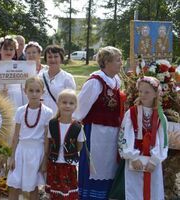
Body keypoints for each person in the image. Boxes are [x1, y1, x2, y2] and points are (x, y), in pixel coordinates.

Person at [74, 46, 123, 199]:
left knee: (109, 167)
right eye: (118, 60)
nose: (121, 63)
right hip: (95, 133)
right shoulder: (95, 82)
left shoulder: (116, 81)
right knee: (95, 168)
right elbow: (80, 108)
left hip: (112, 134)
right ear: (107, 62)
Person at [118, 76, 168, 200]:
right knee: (134, 191)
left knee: (153, 191)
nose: (142, 94)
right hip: (135, 162)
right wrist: (133, 157)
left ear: (156, 93)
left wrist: (155, 160)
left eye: (147, 92)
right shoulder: (131, 113)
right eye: (140, 91)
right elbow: (124, 136)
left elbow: (163, 141)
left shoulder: (161, 117)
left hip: (152, 163)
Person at [7, 76, 53, 200]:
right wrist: (12, 157)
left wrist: (44, 160)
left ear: (43, 92)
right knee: (14, 185)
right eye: (31, 90)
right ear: (25, 91)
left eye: (37, 91)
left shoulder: (47, 113)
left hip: (37, 153)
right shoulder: (20, 111)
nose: (34, 94)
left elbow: (47, 139)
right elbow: (16, 136)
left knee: (33, 187)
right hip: (21, 151)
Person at [45, 89, 85, 199]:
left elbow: (79, 146)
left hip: (69, 165)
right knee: (54, 193)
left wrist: (70, 152)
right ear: (58, 104)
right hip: (54, 163)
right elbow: (48, 143)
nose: (67, 105)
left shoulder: (77, 126)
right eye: (64, 102)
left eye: (71, 103)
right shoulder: (52, 123)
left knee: (67, 193)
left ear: (75, 106)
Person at [39, 45, 76, 113]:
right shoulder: (39, 77)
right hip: (41, 116)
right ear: (46, 59)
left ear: (61, 58)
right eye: (50, 57)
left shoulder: (67, 78)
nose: (53, 59)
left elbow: (71, 101)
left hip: (59, 117)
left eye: (56, 56)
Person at [0, 36, 24, 109]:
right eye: (5, 49)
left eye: (11, 49)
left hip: (16, 99)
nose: (8, 52)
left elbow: (24, 87)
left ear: (15, 51)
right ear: (0, 50)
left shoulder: (20, 66)